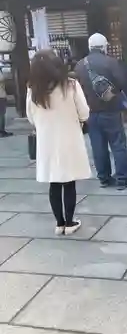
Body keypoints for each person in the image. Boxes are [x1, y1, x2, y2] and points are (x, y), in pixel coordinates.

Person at [26, 50, 91, 236]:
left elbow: (31, 117)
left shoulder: (33, 89)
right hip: (69, 138)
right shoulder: (70, 85)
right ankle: (70, 223)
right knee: (69, 181)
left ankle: (59, 223)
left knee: (54, 183)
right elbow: (84, 112)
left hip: (47, 140)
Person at [75, 33, 127, 190]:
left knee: (98, 146)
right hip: (111, 110)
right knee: (118, 144)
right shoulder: (111, 62)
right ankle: (122, 178)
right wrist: (111, 93)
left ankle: (104, 178)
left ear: (89, 46)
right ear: (104, 46)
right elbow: (123, 82)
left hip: (90, 112)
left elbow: (77, 89)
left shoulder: (80, 65)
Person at [0, 66, 12, 138]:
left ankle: (2, 130)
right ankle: (1, 131)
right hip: (1, 96)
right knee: (1, 114)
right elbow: (1, 79)